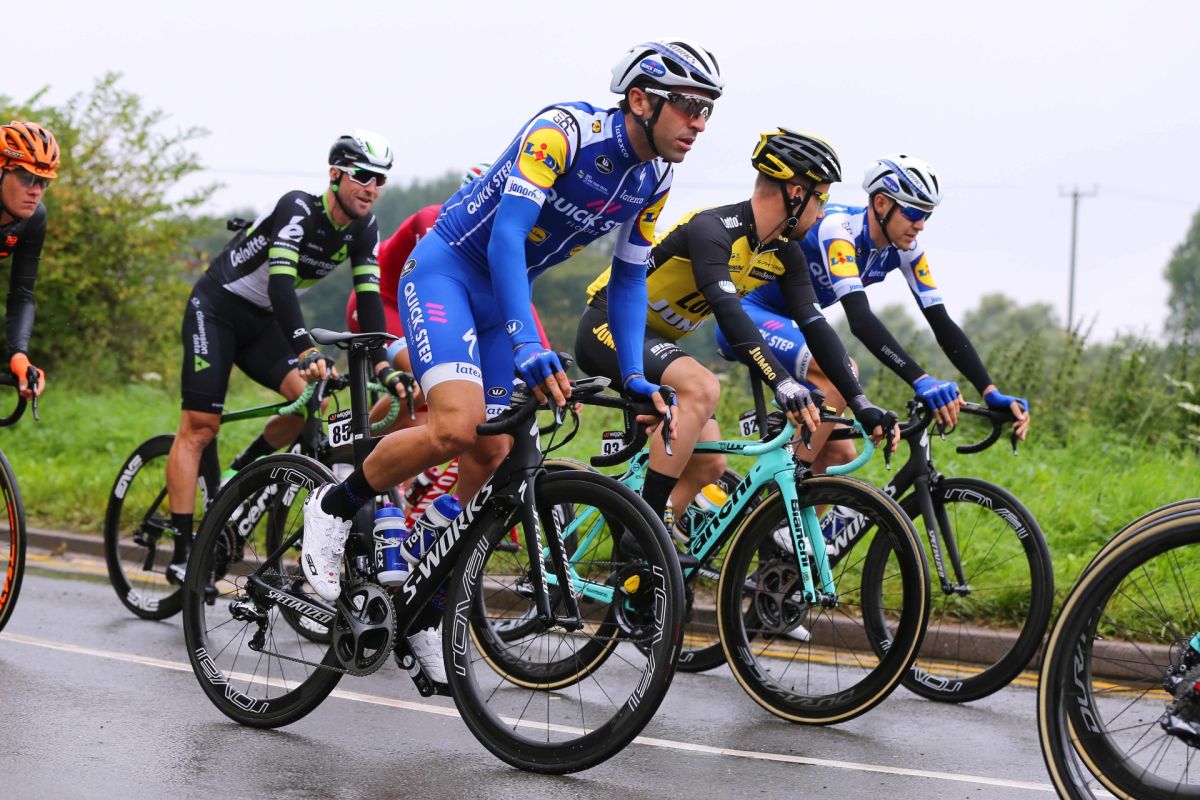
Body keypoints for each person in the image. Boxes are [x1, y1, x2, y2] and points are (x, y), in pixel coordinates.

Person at [300, 39, 725, 682]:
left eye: (707, 110)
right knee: (455, 427)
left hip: (504, 294)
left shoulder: (654, 177)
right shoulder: (562, 132)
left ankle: (423, 584)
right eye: (689, 106)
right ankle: (334, 506)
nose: (699, 123)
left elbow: (629, 279)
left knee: (493, 452)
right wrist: (527, 341)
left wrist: (635, 374)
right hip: (448, 272)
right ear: (641, 100)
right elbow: (505, 236)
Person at [576, 128, 894, 531]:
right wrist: (783, 382)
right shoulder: (712, 228)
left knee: (709, 463)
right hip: (607, 326)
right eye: (822, 199)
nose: (822, 213)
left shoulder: (784, 253)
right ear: (796, 193)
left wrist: (860, 402)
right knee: (702, 386)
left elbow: (816, 327)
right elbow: (729, 312)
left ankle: (641, 539)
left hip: (657, 343)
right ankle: (645, 533)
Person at [163, 130, 396, 584]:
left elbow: (369, 299)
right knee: (200, 427)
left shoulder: (364, 228)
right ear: (335, 174)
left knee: (309, 401)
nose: (371, 187)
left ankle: (237, 475)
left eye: (380, 179)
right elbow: (281, 284)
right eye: (362, 175)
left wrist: (383, 364)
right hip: (217, 309)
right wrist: (306, 348)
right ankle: (183, 550)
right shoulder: (298, 209)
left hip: (263, 321)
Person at [719, 153, 1030, 475]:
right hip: (748, 317)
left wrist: (989, 391)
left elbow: (941, 322)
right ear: (881, 203)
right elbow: (860, 321)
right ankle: (779, 490)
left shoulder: (907, 249)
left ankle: (789, 504)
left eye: (927, 215)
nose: (920, 225)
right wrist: (921, 380)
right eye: (913, 212)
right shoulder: (838, 229)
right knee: (843, 372)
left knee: (839, 455)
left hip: (793, 328)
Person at [0, 121, 59, 399]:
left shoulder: (34, 218)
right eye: (27, 178)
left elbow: (22, 293)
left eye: (44, 181)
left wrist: (19, 355)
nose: (36, 190)